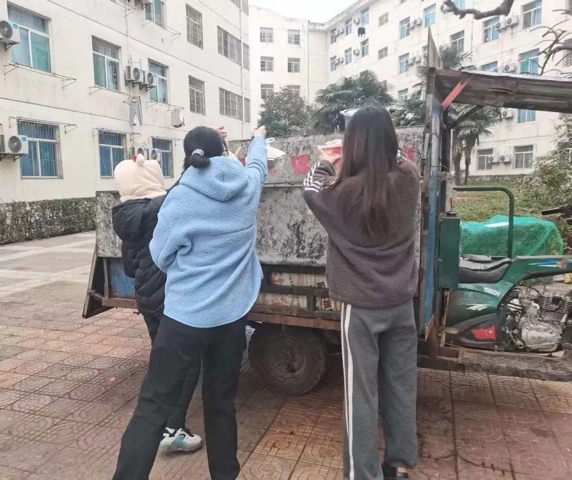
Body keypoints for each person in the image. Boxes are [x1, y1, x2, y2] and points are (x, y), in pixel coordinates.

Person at [112, 125, 268, 480]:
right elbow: (259, 165)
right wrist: (259, 138)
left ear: (187, 157)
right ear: (224, 151)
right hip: (231, 320)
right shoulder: (247, 187)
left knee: (153, 407)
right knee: (221, 406)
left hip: (183, 321)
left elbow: (160, 255)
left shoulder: (180, 198)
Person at [302, 105, 420, 480]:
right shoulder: (410, 178)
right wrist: (384, 147)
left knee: (361, 395)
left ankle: (362, 474)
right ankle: (399, 465)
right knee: (401, 386)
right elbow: (398, 158)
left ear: (353, 144)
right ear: (390, 139)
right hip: (401, 303)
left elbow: (310, 189)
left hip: (361, 307)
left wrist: (327, 161)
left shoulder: (342, 194)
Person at [111, 152, 203, 453]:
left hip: (148, 298)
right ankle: (173, 429)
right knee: (187, 363)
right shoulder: (157, 209)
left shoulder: (125, 215)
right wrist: (199, 155)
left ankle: (158, 422)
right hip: (169, 298)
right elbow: (184, 189)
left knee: (165, 361)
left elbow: (128, 268)